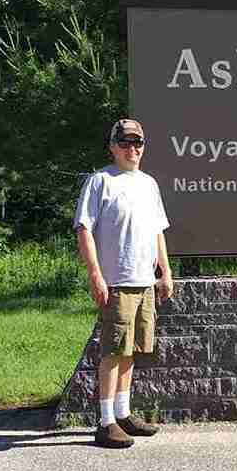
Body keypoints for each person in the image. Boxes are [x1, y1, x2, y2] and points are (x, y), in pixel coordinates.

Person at [73, 118, 174, 448]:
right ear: (113, 147)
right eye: (126, 142)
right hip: (116, 281)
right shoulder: (100, 181)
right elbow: (84, 229)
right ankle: (106, 423)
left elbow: (158, 231)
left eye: (138, 142)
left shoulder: (149, 184)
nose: (133, 148)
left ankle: (123, 413)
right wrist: (95, 274)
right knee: (113, 351)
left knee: (131, 351)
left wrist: (165, 271)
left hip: (144, 282)